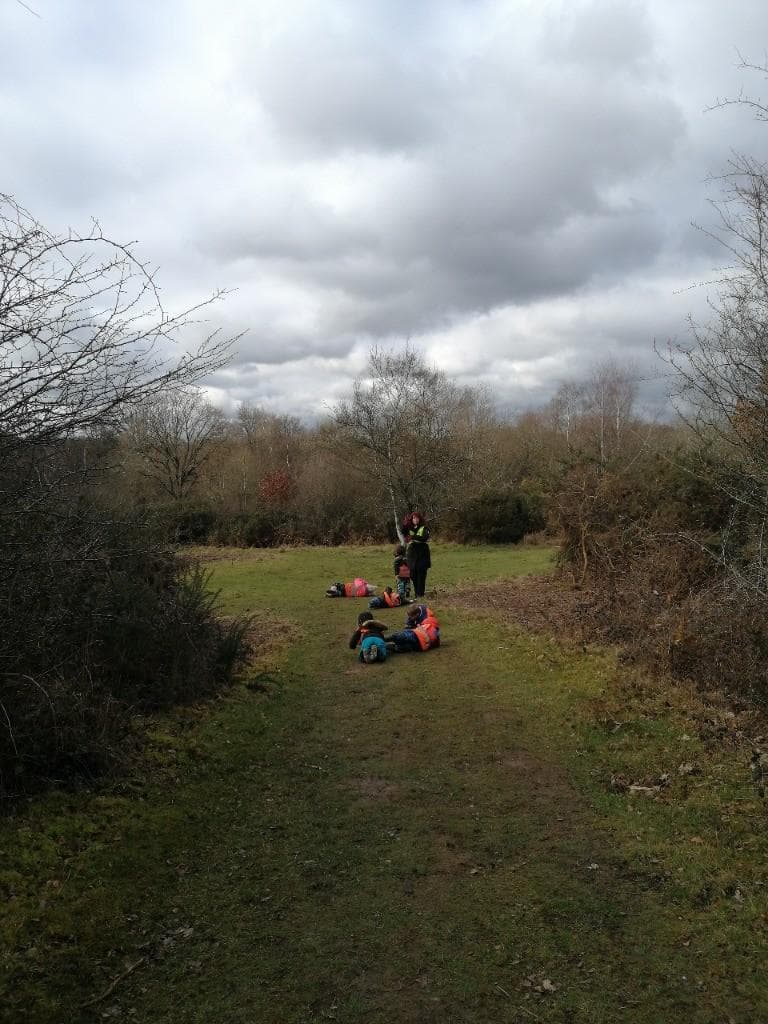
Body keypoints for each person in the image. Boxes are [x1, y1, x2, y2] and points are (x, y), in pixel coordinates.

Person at [402, 511, 431, 598]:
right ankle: (416, 593)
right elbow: (404, 532)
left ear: (420, 519)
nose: (415, 520)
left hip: (422, 554)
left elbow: (424, 538)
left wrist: (412, 538)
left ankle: (420, 594)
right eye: (414, 518)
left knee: (421, 575)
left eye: (417, 518)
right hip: (412, 555)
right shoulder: (409, 527)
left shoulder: (424, 528)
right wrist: (404, 524)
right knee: (413, 575)